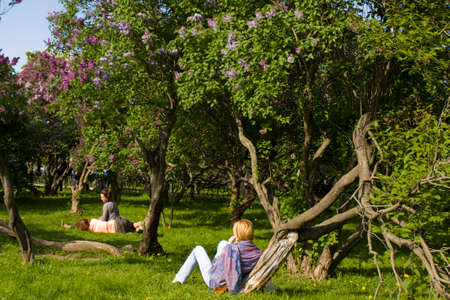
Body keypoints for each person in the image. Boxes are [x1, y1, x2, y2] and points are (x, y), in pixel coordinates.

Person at [172, 219, 272, 294]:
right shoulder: (258, 253)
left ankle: (178, 279)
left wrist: (229, 245)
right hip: (238, 279)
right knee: (222, 242)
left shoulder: (231, 249)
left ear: (237, 234)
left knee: (198, 249)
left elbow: (218, 268)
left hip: (218, 283)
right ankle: (179, 278)